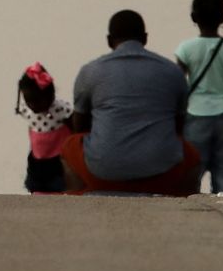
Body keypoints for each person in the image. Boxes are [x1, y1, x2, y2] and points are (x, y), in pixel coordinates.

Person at [61, 10, 202, 196]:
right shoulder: (173, 72)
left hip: (102, 174)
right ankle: (181, 201)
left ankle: (83, 196)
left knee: (70, 144)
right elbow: (178, 127)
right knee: (192, 155)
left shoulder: (90, 72)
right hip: (162, 174)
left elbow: (79, 126)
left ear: (109, 40)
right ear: (145, 38)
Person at [175, 0, 223, 194]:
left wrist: (178, 118)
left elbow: (178, 88)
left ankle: (195, 205)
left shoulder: (185, 49)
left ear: (193, 18)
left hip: (195, 114)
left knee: (193, 169)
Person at [16, 62, 73, 194]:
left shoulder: (61, 109)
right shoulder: (27, 110)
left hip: (59, 160)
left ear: (51, 95)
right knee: (36, 187)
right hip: (36, 160)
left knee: (59, 188)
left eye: (37, 101)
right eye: (29, 101)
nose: (33, 105)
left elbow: (75, 127)